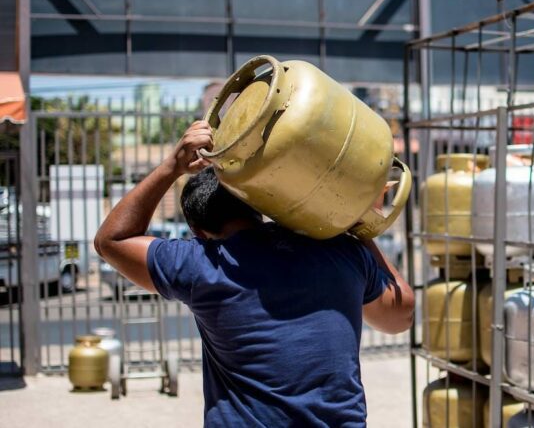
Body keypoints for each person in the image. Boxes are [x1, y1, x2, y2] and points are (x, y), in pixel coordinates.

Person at [94, 120, 415, 427]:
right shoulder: (340, 250)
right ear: (258, 204)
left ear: (199, 232)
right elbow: (400, 317)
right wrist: (359, 227)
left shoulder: (202, 264)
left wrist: (171, 167)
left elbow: (111, 240)